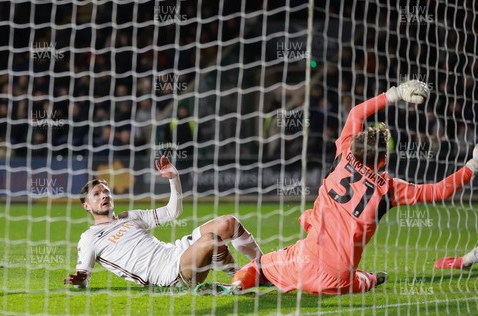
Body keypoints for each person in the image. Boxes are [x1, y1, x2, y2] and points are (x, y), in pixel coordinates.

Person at [196, 80, 477, 295]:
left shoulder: (344, 152)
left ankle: (235, 287)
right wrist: (473, 166)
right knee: (356, 279)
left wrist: (394, 94)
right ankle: (369, 280)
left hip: (306, 262)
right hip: (340, 278)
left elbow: (356, 112)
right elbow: (441, 191)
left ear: (355, 145)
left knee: (260, 266)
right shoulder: (390, 188)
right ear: (382, 159)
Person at [64, 155, 262, 288]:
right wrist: (80, 279)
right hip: (169, 274)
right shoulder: (89, 238)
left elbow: (172, 211)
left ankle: (265, 269)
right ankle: (242, 279)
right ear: (87, 206)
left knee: (229, 222)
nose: (103, 196)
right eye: (96, 194)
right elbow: (83, 275)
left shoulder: (129, 217)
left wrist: (173, 179)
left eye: (106, 191)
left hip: (179, 251)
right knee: (211, 239)